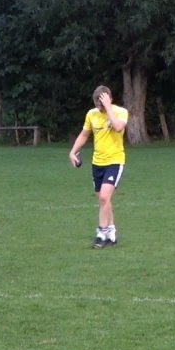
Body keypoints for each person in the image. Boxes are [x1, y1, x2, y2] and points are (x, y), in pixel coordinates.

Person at [68, 85, 129, 248]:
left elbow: (118, 127)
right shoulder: (91, 114)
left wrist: (108, 108)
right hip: (97, 163)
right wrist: (73, 152)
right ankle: (112, 233)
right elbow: (84, 134)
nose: (99, 109)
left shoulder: (121, 112)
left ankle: (101, 233)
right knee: (104, 200)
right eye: (97, 105)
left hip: (115, 161)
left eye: (102, 105)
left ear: (109, 99)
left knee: (104, 197)